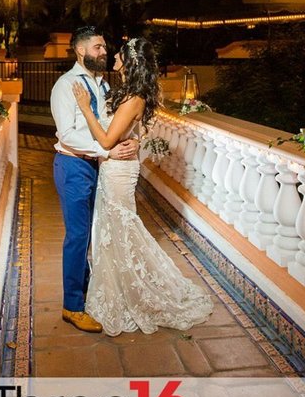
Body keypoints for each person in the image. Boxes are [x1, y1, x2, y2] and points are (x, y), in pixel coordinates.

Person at [71, 37, 213, 337]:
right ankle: (119, 288)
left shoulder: (134, 97)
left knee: (121, 229)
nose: (114, 58)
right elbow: (132, 131)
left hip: (118, 171)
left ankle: (135, 293)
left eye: (119, 56)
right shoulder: (127, 93)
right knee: (112, 229)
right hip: (114, 168)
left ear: (130, 62)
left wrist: (85, 109)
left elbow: (108, 140)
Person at [50, 26, 139, 333]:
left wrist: (131, 142)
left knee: (92, 233)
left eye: (104, 47)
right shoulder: (66, 86)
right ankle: (71, 307)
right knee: (77, 236)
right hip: (73, 166)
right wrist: (107, 151)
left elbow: (114, 124)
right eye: (98, 47)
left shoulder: (102, 85)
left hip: (97, 166)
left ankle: (87, 291)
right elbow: (68, 133)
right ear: (81, 51)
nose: (104, 51)